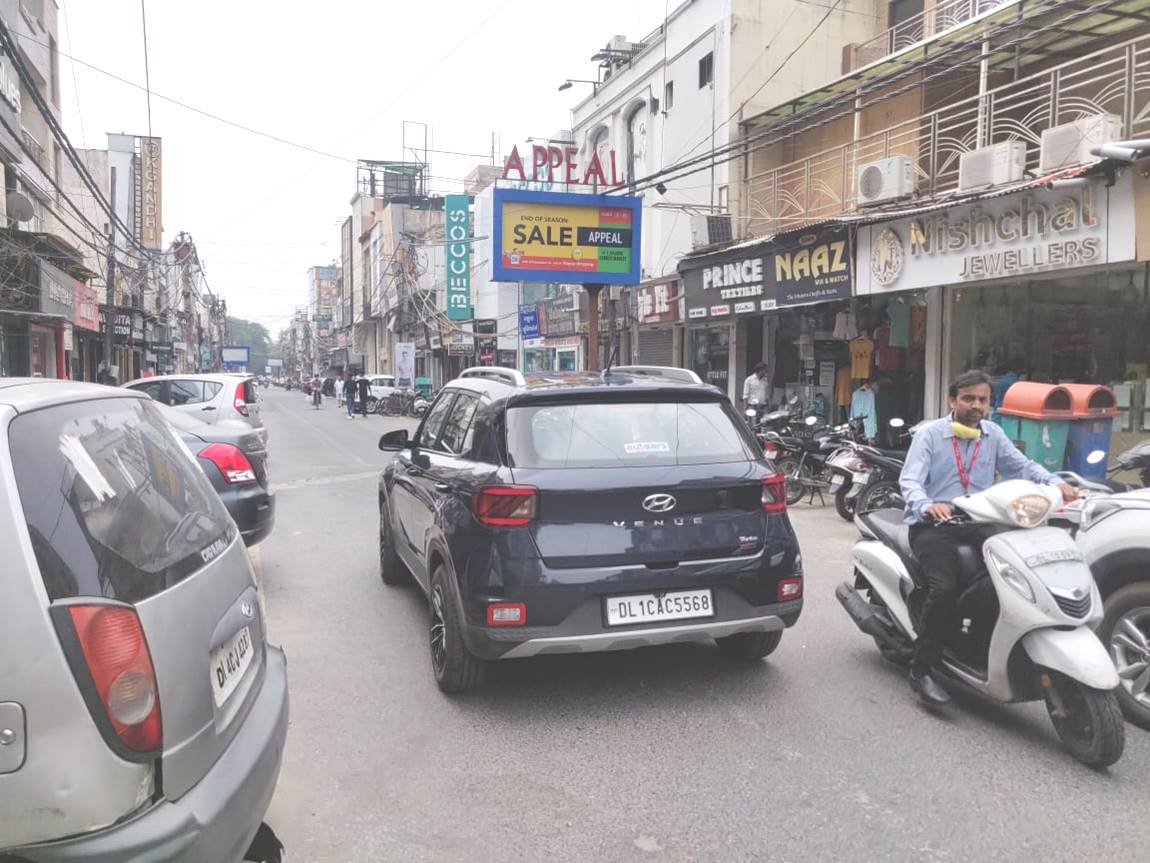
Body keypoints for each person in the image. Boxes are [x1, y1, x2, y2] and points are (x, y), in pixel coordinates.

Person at [898, 369, 1077, 706]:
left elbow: (1022, 466)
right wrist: (926, 505)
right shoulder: (931, 435)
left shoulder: (992, 434)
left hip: (980, 521)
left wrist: (1054, 482)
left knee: (1013, 575)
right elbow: (910, 480)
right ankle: (921, 669)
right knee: (945, 588)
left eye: (982, 400)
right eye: (968, 399)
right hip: (935, 525)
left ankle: (976, 640)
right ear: (953, 400)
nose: (976, 405)